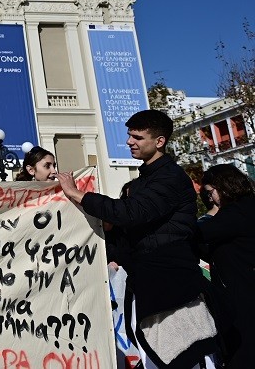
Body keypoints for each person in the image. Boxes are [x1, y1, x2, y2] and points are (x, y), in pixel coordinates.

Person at [58, 109, 218, 368]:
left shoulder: (169, 177)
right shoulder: (147, 177)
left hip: (171, 284)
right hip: (151, 280)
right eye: (129, 135)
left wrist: (77, 195)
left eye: (137, 137)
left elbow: (132, 213)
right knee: (162, 351)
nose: (129, 141)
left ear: (159, 141)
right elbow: (133, 225)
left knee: (182, 352)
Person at [197, 164, 255, 368]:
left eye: (210, 192)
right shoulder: (246, 208)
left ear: (223, 187)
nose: (210, 199)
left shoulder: (235, 213)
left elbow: (199, 234)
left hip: (242, 296)